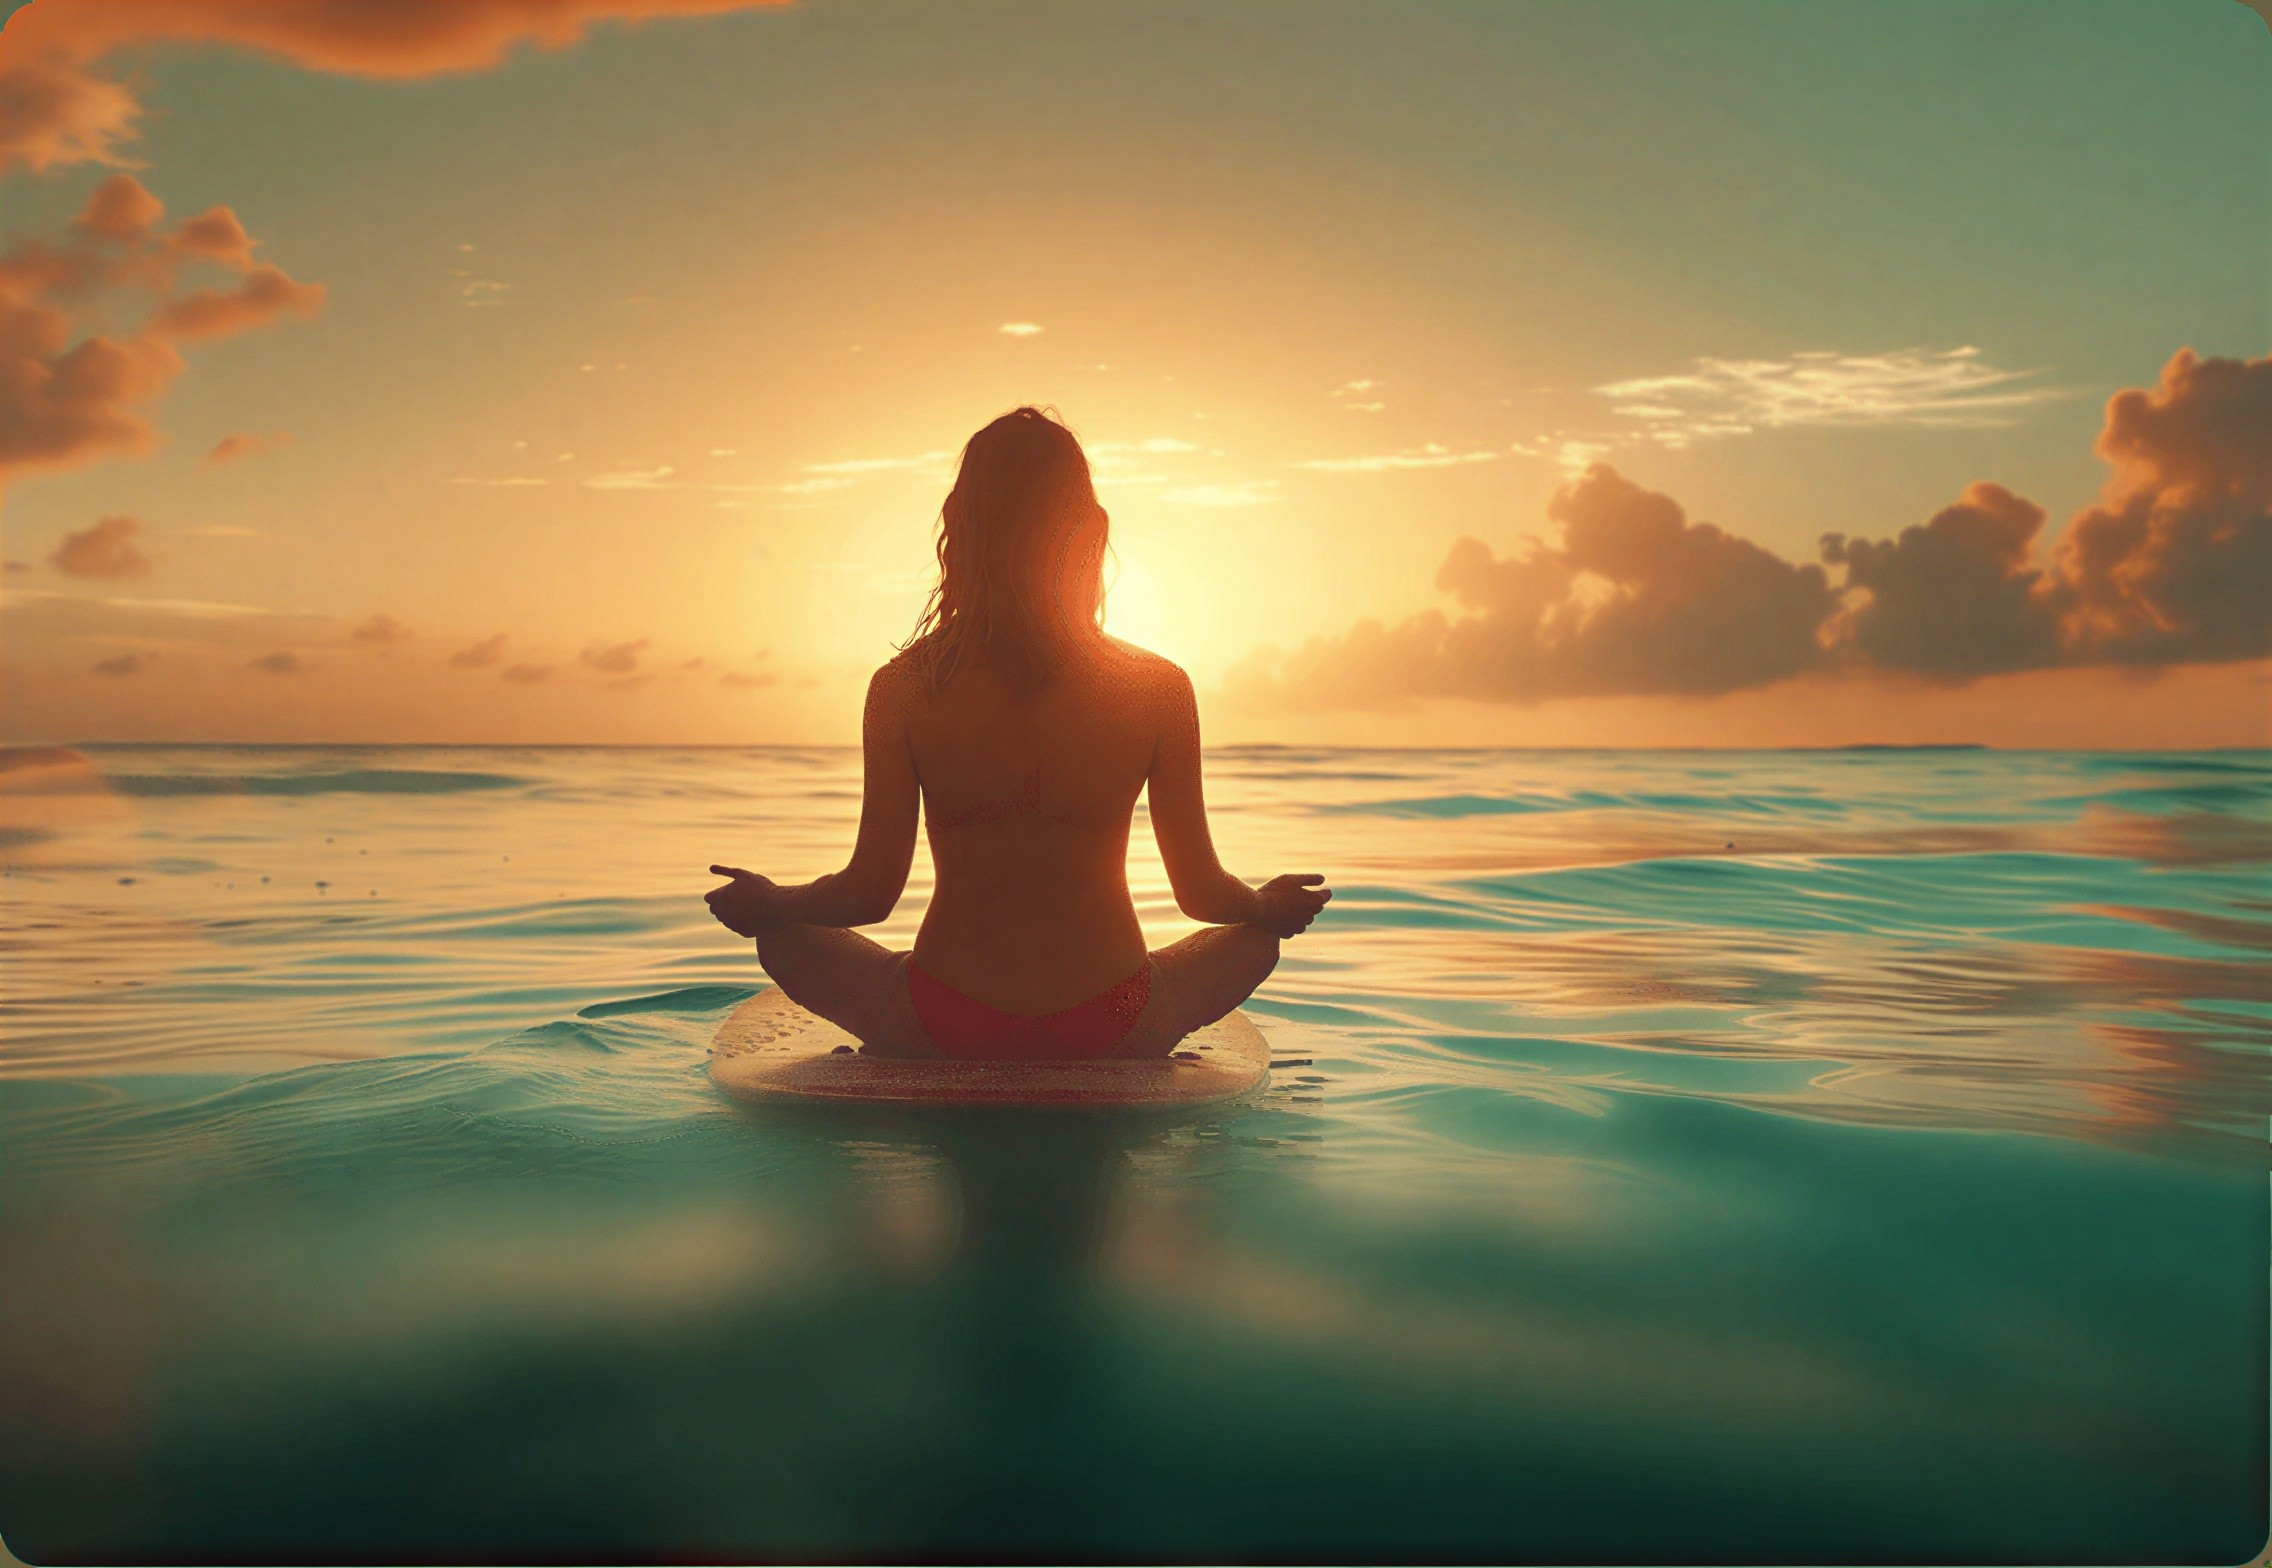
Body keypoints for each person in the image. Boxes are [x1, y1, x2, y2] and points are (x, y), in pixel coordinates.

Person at [704, 406, 1329, 1059]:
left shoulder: (905, 687)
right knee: (1255, 939)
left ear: (960, 533)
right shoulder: (1158, 687)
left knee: (782, 935)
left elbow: (870, 893)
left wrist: (773, 902)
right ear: (1091, 531)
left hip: (946, 1016)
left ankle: (902, 1031)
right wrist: (1265, 907)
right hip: (1113, 1013)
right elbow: (1201, 894)